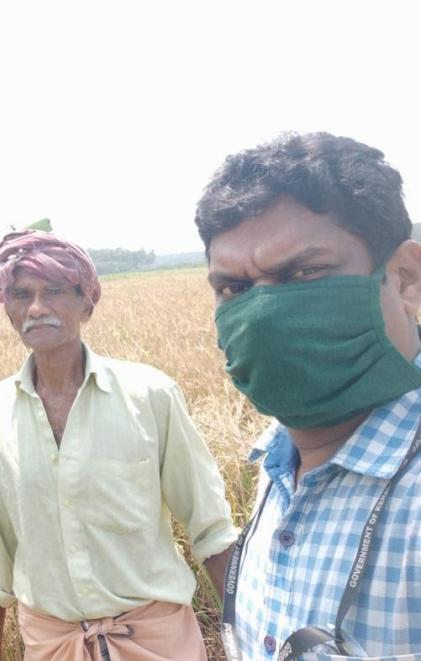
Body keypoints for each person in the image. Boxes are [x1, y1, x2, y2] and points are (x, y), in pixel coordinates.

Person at [195, 132, 421, 660]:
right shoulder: (279, 463)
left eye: (304, 272)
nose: (262, 317)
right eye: (234, 289)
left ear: (406, 278)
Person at [0, 231, 239, 660]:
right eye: (22, 295)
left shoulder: (150, 395)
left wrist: (247, 637)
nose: (36, 308)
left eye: (54, 292)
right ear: (8, 311)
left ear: (87, 305)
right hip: (53, 644)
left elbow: (210, 528)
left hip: (156, 640)